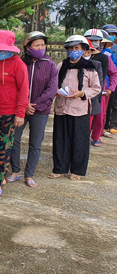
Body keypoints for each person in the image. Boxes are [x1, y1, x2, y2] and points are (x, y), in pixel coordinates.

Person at [8, 31, 58, 188]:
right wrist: (24, 105)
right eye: (37, 45)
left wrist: (35, 105)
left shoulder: (50, 65)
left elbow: (51, 90)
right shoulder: (21, 63)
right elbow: (14, 86)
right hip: (21, 108)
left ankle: (29, 174)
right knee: (14, 140)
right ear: (28, 47)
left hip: (40, 111)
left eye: (43, 44)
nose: (41, 47)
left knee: (35, 143)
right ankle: (15, 171)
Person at [0, 30, 29, 197]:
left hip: (9, 113)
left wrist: (20, 113)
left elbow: (24, 90)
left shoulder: (18, 65)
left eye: (1, 49)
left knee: (3, 146)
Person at [50, 35, 101, 180]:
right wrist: (57, 91)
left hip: (80, 109)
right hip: (62, 107)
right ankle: (60, 168)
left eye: (77, 48)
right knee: (60, 139)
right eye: (71, 48)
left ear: (84, 50)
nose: (74, 51)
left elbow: (97, 88)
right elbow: (54, 83)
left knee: (79, 140)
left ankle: (77, 171)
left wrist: (82, 93)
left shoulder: (89, 68)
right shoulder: (61, 65)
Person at [83, 29, 117, 146]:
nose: (94, 42)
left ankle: (96, 136)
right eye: (91, 40)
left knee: (99, 115)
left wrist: (111, 88)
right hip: (82, 91)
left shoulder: (105, 58)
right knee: (85, 116)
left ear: (100, 42)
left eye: (96, 40)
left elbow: (113, 73)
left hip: (99, 91)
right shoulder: (81, 56)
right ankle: (83, 136)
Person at [100, 24, 117, 135]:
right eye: (109, 34)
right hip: (101, 82)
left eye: (113, 34)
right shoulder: (97, 50)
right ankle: (101, 128)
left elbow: (113, 67)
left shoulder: (111, 50)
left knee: (113, 104)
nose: (111, 36)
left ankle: (111, 125)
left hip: (111, 80)